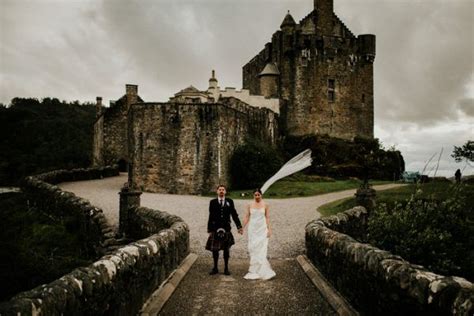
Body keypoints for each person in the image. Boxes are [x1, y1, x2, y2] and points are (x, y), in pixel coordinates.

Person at [206, 184, 243, 275]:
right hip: (215, 228)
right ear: (217, 191)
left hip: (226, 228)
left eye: (223, 189)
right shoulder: (212, 202)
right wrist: (209, 229)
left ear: (225, 191)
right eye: (220, 190)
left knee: (226, 249)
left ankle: (226, 268)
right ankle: (215, 268)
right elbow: (211, 216)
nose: (221, 191)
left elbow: (234, 214)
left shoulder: (230, 201)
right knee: (215, 250)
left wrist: (239, 226)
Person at [242, 188, 276, 280]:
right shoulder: (249, 204)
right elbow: (247, 217)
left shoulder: (266, 205)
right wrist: (242, 227)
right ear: (253, 195)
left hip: (262, 229)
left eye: (258, 195)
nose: (257, 196)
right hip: (253, 229)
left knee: (262, 248)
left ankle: (262, 269)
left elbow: (267, 217)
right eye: (255, 195)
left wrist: (269, 229)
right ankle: (254, 269)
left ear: (261, 195)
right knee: (253, 248)